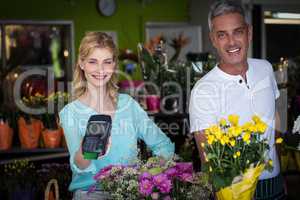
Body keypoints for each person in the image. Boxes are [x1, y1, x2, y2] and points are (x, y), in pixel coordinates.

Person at [59, 32, 174, 199]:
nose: (100, 70)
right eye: (93, 62)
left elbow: (164, 146)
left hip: (131, 192)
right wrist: (89, 148)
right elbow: (81, 167)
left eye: (107, 62)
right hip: (90, 193)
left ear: (114, 65)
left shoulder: (129, 105)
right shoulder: (70, 112)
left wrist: (146, 174)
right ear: (81, 63)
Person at [189, 1, 285, 199]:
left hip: (274, 183)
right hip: (234, 190)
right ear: (213, 40)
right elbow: (207, 157)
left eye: (237, 32)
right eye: (222, 35)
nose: (231, 42)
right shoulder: (203, 90)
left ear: (248, 33)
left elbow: (274, 121)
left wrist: (281, 172)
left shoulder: (265, 69)